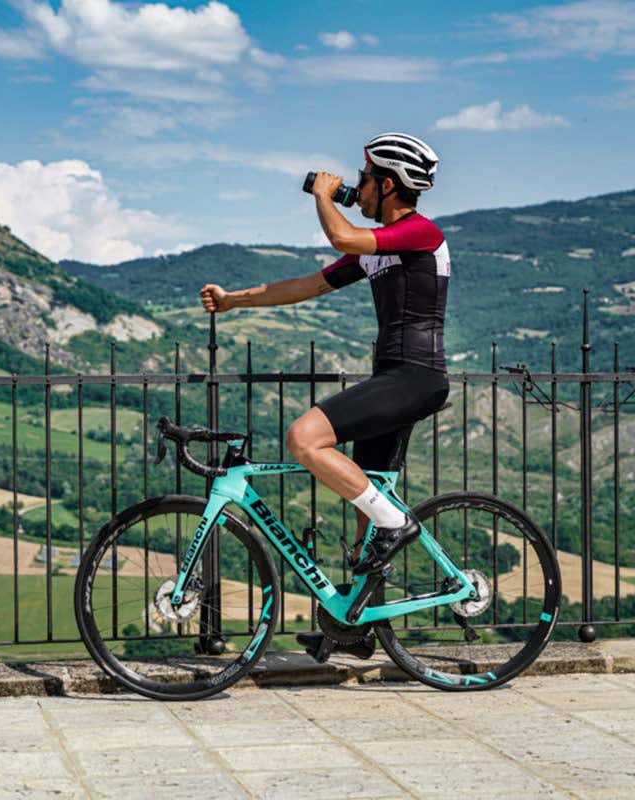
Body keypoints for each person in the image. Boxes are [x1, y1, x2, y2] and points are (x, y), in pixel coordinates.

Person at [198, 132, 450, 660]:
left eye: (362, 180)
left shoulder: (420, 232)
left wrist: (322, 195)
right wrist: (233, 302)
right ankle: (350, 627)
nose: (355, 188)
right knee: (368, 510)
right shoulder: (380, 250)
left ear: (387, 184)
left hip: (413, 376)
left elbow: (343, 239)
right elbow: (307, 286)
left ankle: (399, 523)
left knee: (304, 439)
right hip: (394, 375)